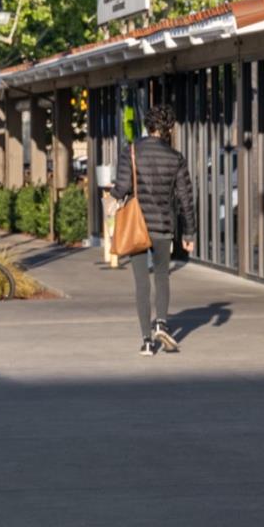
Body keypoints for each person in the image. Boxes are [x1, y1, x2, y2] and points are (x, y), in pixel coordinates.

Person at [110, 100, 196, 356]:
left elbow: (122, 187)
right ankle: (161, 323)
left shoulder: (131, 151)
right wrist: (189, 232)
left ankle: (147, 341)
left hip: (137, 225)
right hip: (163, 226)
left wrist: (112, 198)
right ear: (168, 128)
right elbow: (185, 198)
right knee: (162, 276)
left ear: (148, 125)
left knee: (141, 283)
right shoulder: (176, 158)